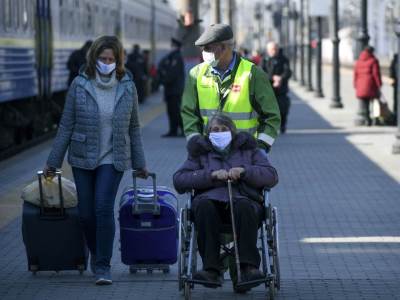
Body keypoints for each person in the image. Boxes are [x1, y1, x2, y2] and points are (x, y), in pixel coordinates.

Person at [44, 36, 148, 285]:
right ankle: (95, 251)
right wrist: (53, 161)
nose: (107, 63)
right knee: (86, 214)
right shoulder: (79, 84)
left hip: (113, 158)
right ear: (94, 59)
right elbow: (66, 124)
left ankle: (103, 265)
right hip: (82, 157)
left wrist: (140, 162)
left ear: (118, 60)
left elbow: (134, 127)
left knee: (102, 209)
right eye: (103, 59)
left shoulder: (127, 86)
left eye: (112, 59)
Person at [173, 113, 278, 293]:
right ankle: (211, 270)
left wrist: (245, 171)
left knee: (244, 206)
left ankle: (248, 268)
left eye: (224, 129)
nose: (220, 133)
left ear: (233, 132)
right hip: (209, 202)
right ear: (208, 133)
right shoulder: (200, 153)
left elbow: (271, 175)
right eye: (215, 129)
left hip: (243, 201)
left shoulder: (249, 150)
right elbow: (179, 180)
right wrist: (211, 175)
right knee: (204, 207)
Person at [181, 23, 281, 154]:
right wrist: (195, 141)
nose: (204, 52)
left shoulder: (252, 74)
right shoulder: (196, 74)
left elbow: (271, 116)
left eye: (208, 48)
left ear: (223, 48)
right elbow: (188, 113)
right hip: (208, 154)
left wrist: (262, 148)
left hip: (245, 153)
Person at [262, 42, 292, 133]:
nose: (273, 51)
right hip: (268, 90)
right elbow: (261, 73)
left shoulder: (284, 59)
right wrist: (272, 78)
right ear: (268, 50)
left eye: (275, 49)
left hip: (281, 89)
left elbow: (288, 72)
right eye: (271, 49)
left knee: (283, 108)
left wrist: (280, 79)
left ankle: (283, 125)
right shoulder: (264, 60)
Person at [158, 37, 185, 137]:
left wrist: (163, 80)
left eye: (172, 45)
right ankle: (173, 130)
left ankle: (183, 129)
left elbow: (172, 73)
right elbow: (162, 65)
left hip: (175, 89)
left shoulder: (177, 57)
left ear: (176, 46)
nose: (171, 47)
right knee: (171, 111)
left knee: (176, 111)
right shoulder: (171, 56)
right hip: (170, 89)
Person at [353, 46, 382, 126]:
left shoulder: (358, 61)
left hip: (360, 86)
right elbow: (376, 74)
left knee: (364, 104)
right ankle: (375, 120)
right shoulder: (373, 61)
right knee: (375, 103)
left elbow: (355, 74)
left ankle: (366, 119)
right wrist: (379, 84)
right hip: (371, 86)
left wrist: (355, 85)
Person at [389, 53, 398, 124]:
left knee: (396, 101)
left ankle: (396, 117)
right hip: (396, 83)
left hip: (396, 84)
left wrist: (392, 78)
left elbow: (391, 71)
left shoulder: (395, 58)